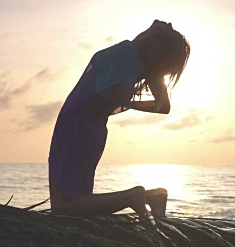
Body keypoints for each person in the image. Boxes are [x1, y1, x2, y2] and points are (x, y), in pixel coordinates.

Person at [48, 20, 190, 219]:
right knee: (73, 201)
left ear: (154, 40)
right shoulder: (143, 63)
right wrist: (127, 104)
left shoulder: (128, 53)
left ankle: (132, 197)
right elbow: (163, 106)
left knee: (64, 209)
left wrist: (122, 101)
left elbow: (119, 94)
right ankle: (153, 196)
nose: (165, 22)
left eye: (166, 27)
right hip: (90, 127)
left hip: (77, 125)